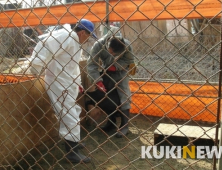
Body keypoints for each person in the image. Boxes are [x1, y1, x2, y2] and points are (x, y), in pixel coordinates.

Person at [28, 19, 97, 163]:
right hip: (58, 82)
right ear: (83, 32)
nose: (88, 39)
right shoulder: (65, 36)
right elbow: (44, 46)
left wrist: (77, 82)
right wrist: (35, 68)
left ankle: (73, 141)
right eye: (89, 35)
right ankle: (72, 152)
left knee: (73, 112)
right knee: (69, 114)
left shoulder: (74, 41)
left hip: (66, 81)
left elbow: (73, 64)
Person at [87, 34, 136, 138]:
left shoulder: (126, 45)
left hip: (121, 72)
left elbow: (129, 61)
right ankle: (111, 123)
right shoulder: (98, 46)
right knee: (106, 96)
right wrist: (98, 81)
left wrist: (116, 67)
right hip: (106, 72)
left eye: (116, 53)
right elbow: (91, 64)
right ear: (107, 44)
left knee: (124, 95)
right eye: (111, 51)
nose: (113, 54)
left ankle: (125, 125)